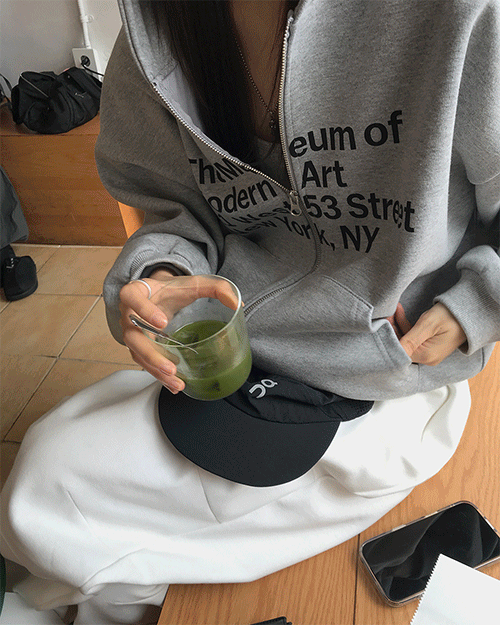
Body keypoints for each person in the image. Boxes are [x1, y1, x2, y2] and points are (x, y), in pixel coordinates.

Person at [1, 0, 499, 623]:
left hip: (380, 382)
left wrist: (476, 305)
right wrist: (161, 273)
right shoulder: (158, 28)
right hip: (240, 360)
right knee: (51, 472)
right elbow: (173, 209)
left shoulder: (462, 14)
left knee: (47, 499)